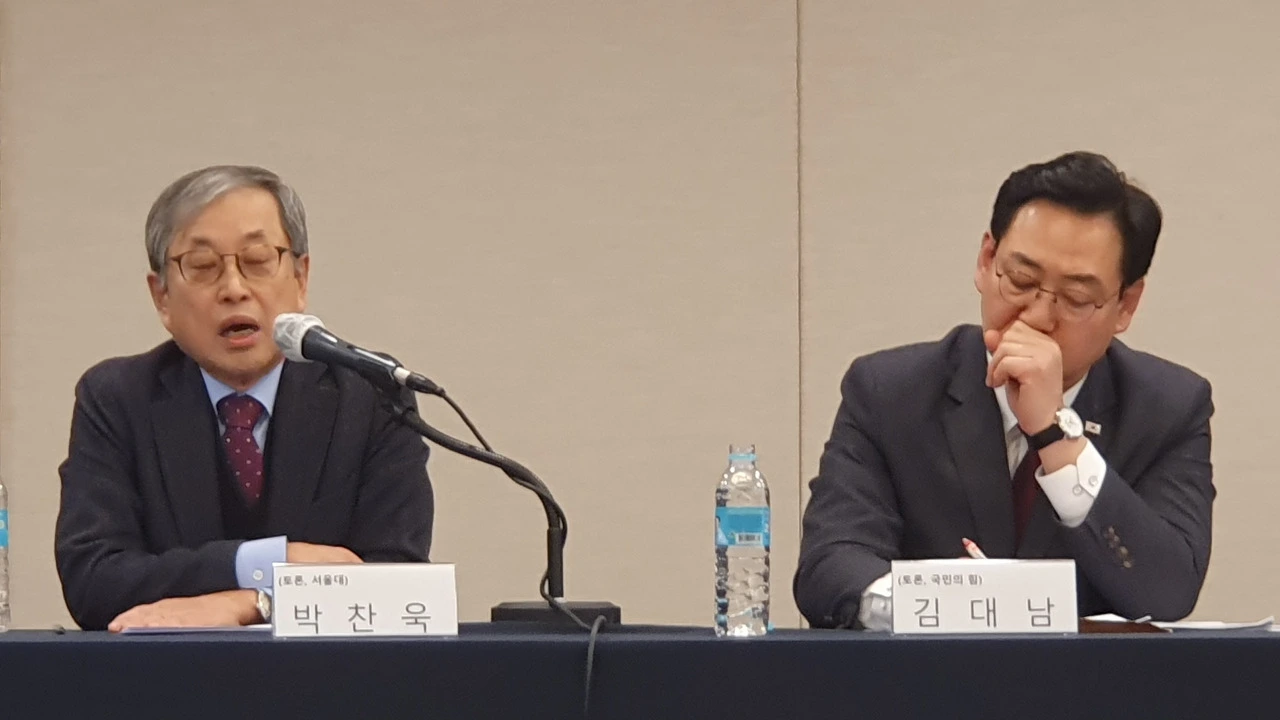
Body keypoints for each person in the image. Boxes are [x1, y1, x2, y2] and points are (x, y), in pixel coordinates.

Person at [794, 151, 1213, 629]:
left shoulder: (1168, 408)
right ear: (986, 260)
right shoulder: (889, 393)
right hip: (927, 675)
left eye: (1076, 298)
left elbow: (1168, 592)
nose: (1038, 316)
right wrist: (956, 605)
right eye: (1021, 280)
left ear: (1125, 305)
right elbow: (829, 567)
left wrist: (1057, 438)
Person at [55, 165, 434, 631]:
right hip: (164, 677)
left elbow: (396, 582)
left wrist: (252, 603)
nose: (234, 289)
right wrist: (262, 563)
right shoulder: (117, 399)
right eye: (202, 266)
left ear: (300, 279)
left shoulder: (371, 393)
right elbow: (93, 580)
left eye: (257, 260)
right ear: (162, 298)